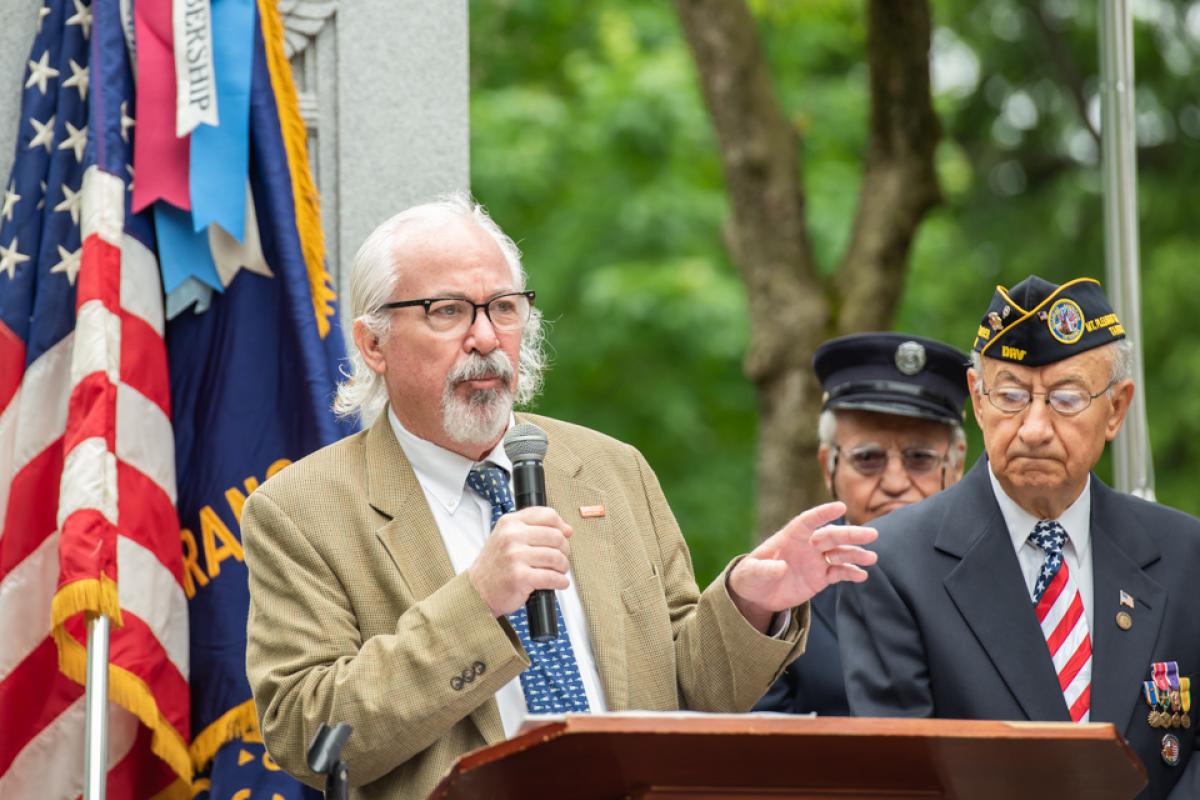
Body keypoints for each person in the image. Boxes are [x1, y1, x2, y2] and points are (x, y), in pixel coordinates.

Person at [241, 194, 879, 800]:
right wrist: (477, 602)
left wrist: (749, 604)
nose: (486, 337)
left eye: (503, 307)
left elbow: (689, 690)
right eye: (448, 311)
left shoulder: (610, 469)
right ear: (373, 344)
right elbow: (310, 736)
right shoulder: (300, 511)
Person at [839, 276, 1200, 800]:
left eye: (1066, 399)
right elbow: (899, 779)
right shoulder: (896, 565)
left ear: (1116, 410)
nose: (1034, 428)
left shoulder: (1185, 555)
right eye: (1010, 396)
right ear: (977, 399)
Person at [754, 332, 968, 716]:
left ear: (956, 465)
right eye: (868, 458)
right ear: (828, 466)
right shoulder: (781, 594)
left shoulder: (1001, 571)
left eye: (920, 458)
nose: (895, 482)